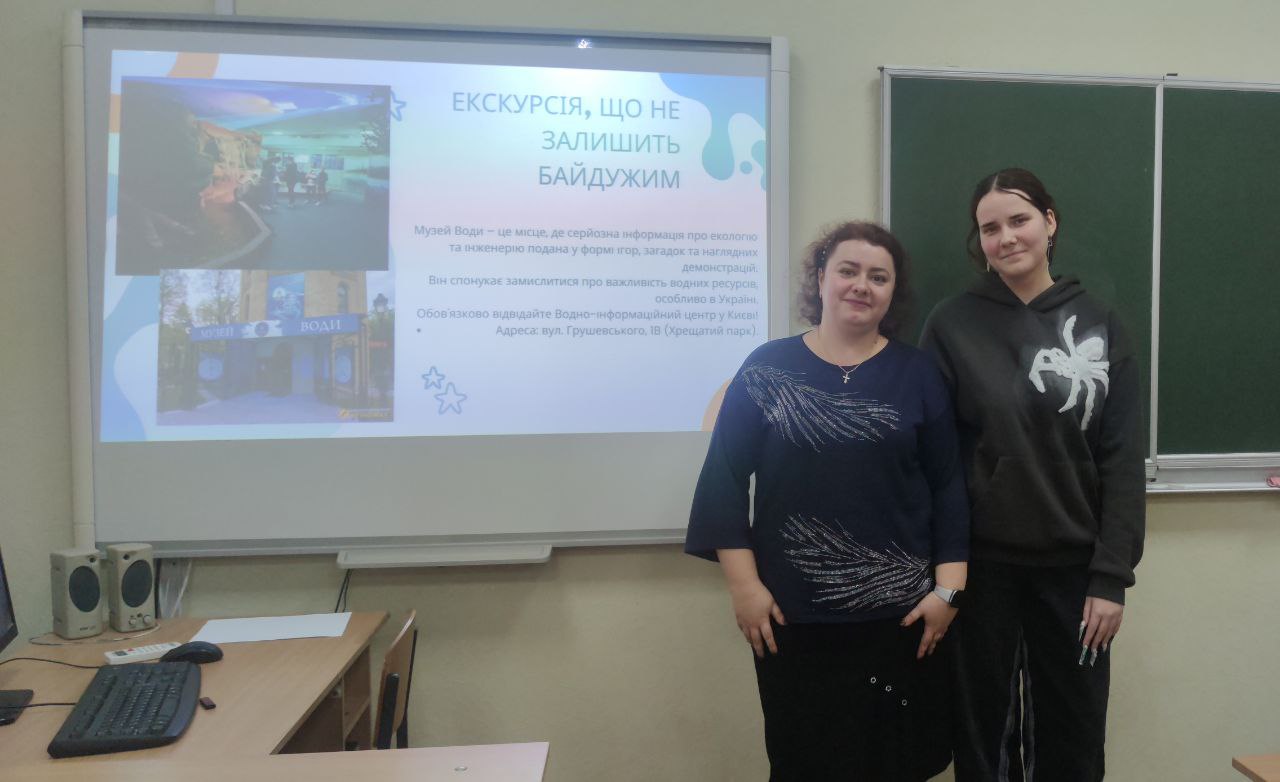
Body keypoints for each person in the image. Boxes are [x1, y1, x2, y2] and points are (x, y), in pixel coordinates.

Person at [687, 221, 970, 781]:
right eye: (848, 270)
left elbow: (948, 486)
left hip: (902, 621)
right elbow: (722, 481)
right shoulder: (766, 368)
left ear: (892, 292)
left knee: (895, 765)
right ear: (821, 278)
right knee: (806, 765)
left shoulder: (918, 373)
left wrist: (949, 592)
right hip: (792, 620)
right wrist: (744, 589)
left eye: (878, 276)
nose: (861, 285)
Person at [919, 168, 1145, 781]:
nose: (1006, 238)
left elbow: (1123, 462)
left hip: (1075, 575)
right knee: (984, 739)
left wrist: (1111, 578)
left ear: (1049, 222)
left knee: (1073, 737)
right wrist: (944, 573)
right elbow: (936, 461)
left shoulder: (1100, 323)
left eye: (1019, 220)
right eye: (989, 228)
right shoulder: (951, 324)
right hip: (980, 573)